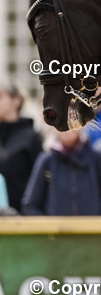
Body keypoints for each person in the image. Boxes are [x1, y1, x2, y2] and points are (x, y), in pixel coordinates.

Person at [21, 128, 101, 215]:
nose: (67, 127)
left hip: (93, 235)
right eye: (60, 120)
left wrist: (98, 225)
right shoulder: (46, 161)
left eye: (72, 119)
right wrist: (51, 228)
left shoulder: (97, 159)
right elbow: (30, 205)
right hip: (56, 236)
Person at [0, 80, 43, 211]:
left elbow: (40, 182)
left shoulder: (31, 137)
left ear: (16, 101)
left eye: (0, 97)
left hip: (23, 218)